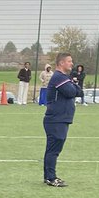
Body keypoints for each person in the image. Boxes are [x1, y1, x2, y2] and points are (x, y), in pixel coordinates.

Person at [42, 51, 80, 187]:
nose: (72, 63)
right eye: (69, 61)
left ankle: (49, 176)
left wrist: (74, 86)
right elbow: (71, 92)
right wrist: (74, 85)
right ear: (62, 63)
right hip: (56, 119)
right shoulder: (59, 77)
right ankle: (51, 177)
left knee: (53, 149)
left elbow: (78, 92)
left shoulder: (64, 77)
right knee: (53, 149)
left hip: (61, 118)